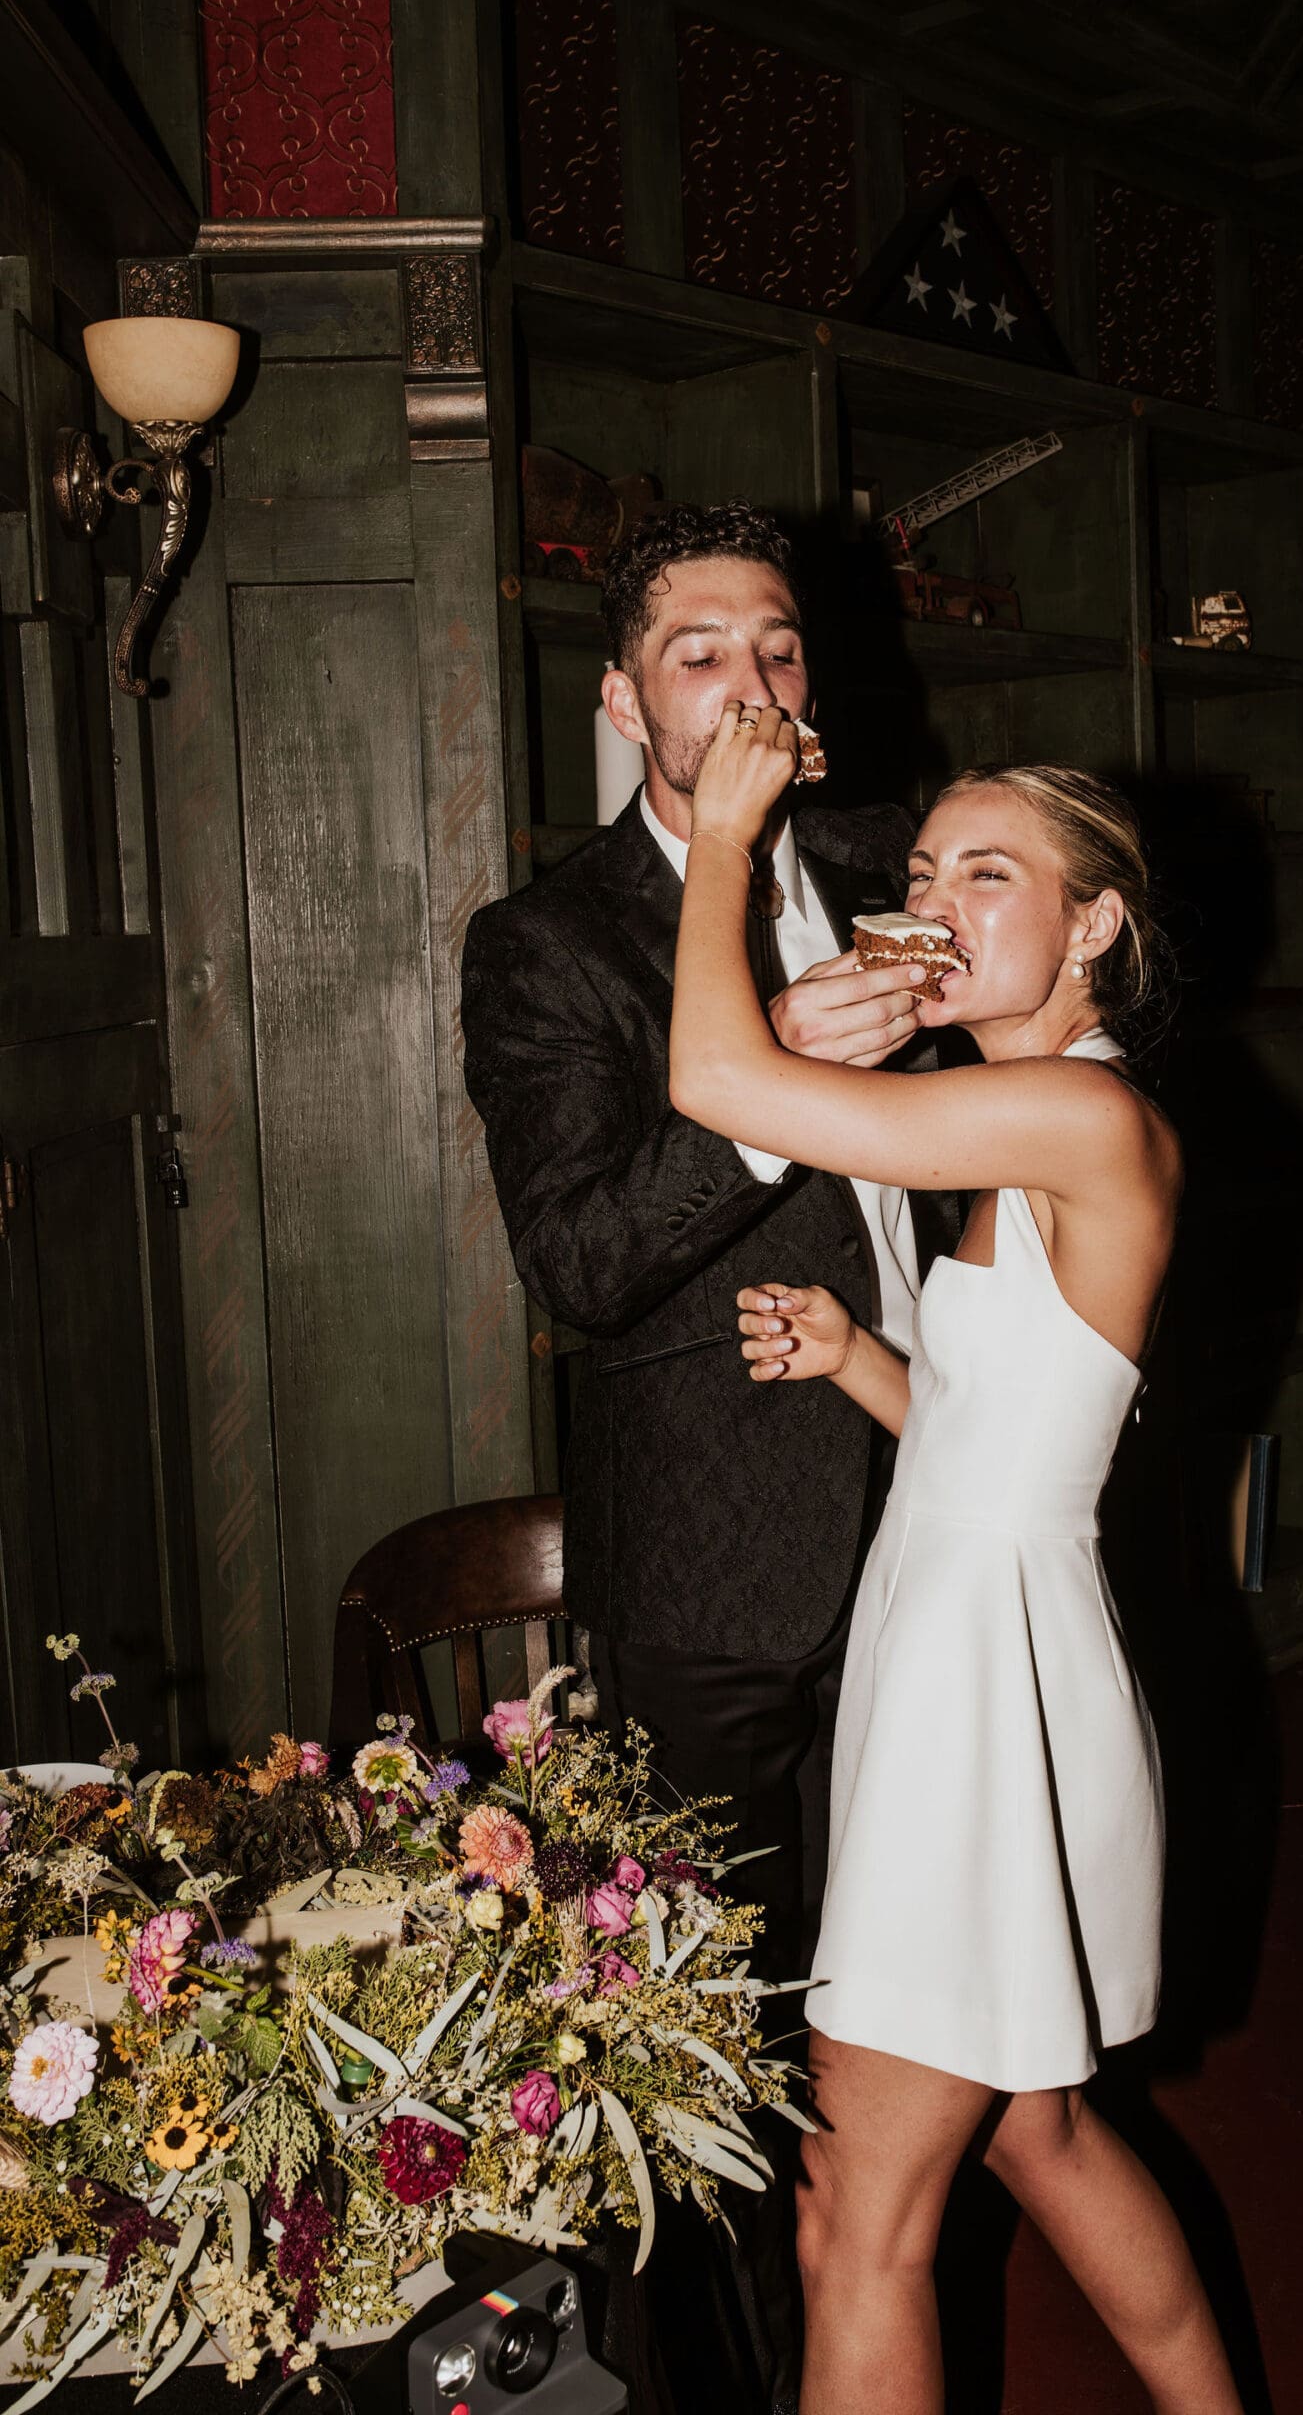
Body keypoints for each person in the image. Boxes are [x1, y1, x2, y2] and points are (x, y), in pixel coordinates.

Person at [669, 710, 1244, 2415]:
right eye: (921, 870)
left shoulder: (1076, 1115)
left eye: (991, 875)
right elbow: (1009, 1447)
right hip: (985, 1631)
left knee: (858, 2215)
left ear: (1095, 929)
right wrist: (861, 1356)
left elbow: (722, 1084)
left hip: (981, 1684)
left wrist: (721, 839)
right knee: (1040, 2132)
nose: (934, 899)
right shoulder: (1025, 1115)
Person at [459, 503, 958, 2411]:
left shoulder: (884, 864)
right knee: (713, 2054)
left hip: (936, 1514)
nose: (749, 685)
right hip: (722, 1575)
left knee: (906, 2027)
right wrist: (780, 1103)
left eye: (779, 652)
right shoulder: (549, 940)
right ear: (621, 699)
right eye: (699, 655)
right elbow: (580, 1264)